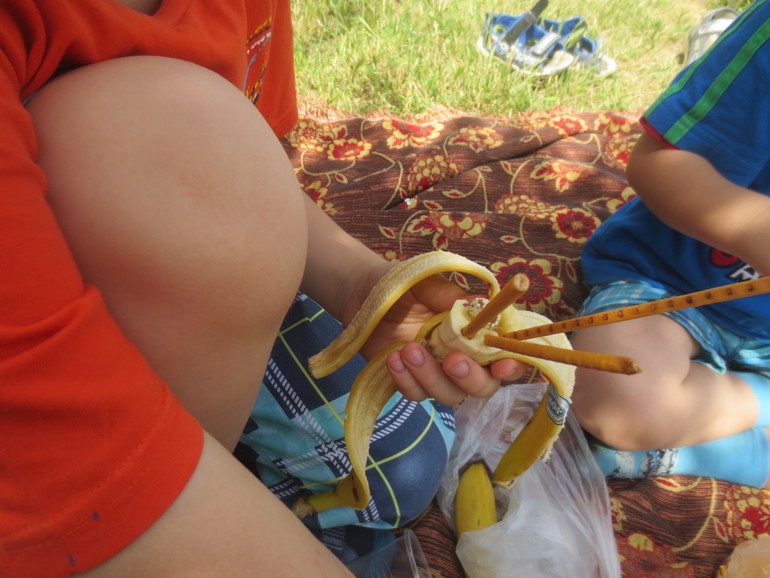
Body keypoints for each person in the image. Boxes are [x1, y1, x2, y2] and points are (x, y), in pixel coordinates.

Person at [0, 1, 524, 576]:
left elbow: (229, 162)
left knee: (402, 465)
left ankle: (208, 460)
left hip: (148, 276)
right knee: (153, 126)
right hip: (36, 353)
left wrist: (360, 286)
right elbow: (73, 468)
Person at [571, 0, 770, 490]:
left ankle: (694, 443)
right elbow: (661, 162)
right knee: (615, 394)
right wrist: (753, 226)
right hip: (673, 281)